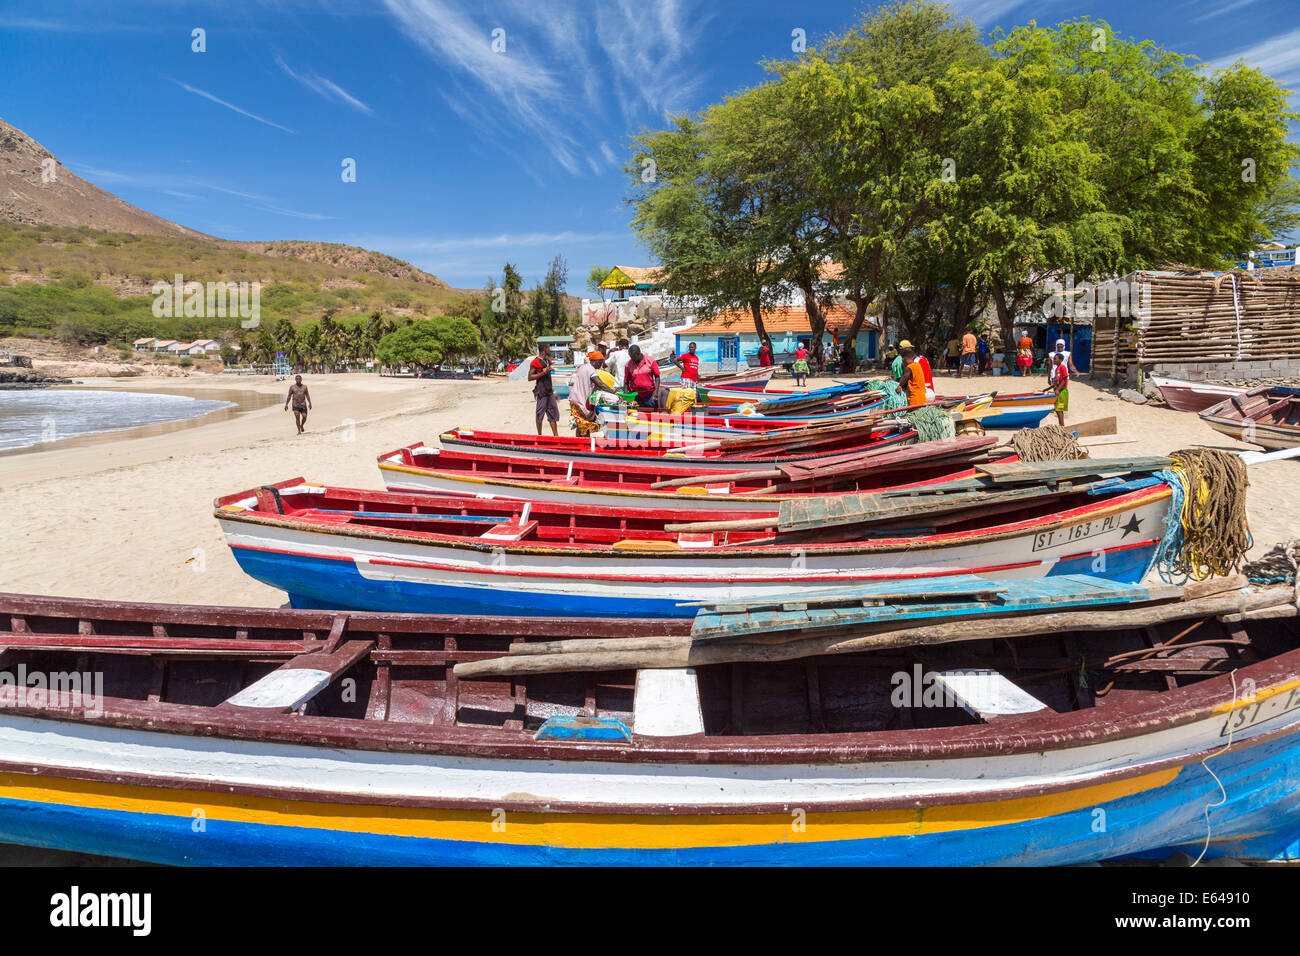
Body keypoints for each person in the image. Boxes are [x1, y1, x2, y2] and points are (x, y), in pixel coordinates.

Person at [527, 341, 559, 436]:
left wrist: (554, 392)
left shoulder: (547, 361)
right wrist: (543, 373)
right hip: (541, 392)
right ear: (544, 349)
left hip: (549, 392)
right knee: (539, 415)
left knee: (553, 415)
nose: (550, 350)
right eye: (548, 348)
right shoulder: (535, 362)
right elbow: (530, 377)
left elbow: (548, 379)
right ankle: (539, 435)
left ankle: (556, 437)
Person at [1049, 351, 1069, 426]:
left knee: (1059, 409)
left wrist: (1057, 389)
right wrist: (1046, 389)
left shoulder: (1062, 367)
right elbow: (1055, 383)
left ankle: (1062, 426)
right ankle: (1061, 425)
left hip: (1061, 391)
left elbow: (1064, 379)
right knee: (1057, 409)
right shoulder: (1057, 369)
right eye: (1053, 359)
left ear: (1060, 360)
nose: (1053, 360)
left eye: (1055, 359)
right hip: (1057, 390)